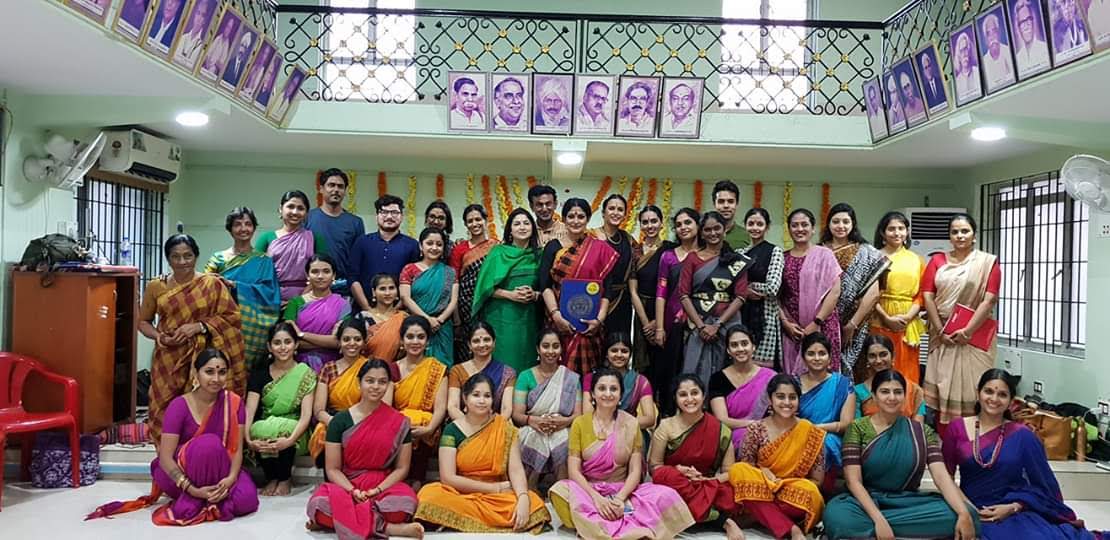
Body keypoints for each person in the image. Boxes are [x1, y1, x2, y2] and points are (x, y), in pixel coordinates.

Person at [87, 349, 258, 524]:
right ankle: (201, 498)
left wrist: (229, 480)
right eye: (209, 372)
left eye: (222, 372)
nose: (216, 379)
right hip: (184, 474)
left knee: (247, 501)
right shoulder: (179, 406)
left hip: (221, 470)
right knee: (208, 444)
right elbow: (165, 458)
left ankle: (210, 497)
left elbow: (236, 449)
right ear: (195, 373)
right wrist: (192, 489)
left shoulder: (234, 403)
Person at [822, 370, 980, 540]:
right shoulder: (857, 428)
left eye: (898, 392)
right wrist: (879, 520)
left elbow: (941, 476)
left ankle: (872, 533)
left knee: (967, 513)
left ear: (905, 397)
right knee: (837, 516)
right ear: (873, 396)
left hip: (907, 501)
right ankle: (899, 531)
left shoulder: (922, 431)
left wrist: (963, 513)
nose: (892, 397)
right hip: (863, 502)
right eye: (885, 392)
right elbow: (854, 482)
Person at [943, 369, 1099, 540]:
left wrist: (1013, 507)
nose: (994, 399)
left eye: (1002, 394)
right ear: (978, 392)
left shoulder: (1022, 435)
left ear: (1011, 401)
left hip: (1012, 511)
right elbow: (946, 478)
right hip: (969, 507)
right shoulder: (956, 428)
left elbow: (1044, 485)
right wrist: (967, 510)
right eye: (988, 391)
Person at [550, 367, 695, 539]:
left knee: (666, 494)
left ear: (620, 395)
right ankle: (627, 527)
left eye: (614, 389)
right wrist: (597, 498)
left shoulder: (631, 423)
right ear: (593, 395)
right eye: (602, 388)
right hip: (589, 490)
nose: (608, 393)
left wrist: (619, 499)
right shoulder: (580, 424)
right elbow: (574, 470)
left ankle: (596, 527)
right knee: (559, 490)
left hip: (622, 490)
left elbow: (634, 471)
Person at [140, 232, 246, 443]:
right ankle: (167, 463)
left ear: (196, 257)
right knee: (163, 406)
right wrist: (159, 337)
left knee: (204, 406)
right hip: (168, 358)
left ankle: (201, 456)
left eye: (187, 256)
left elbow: (232, 317)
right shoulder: (156, 286)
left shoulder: (211, 284)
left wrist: (199, 326)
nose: (182, 262)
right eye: (175, 257)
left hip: (203, 358)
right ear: (168, 258)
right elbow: (143, 322)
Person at [414, 374, 552, 532]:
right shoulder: (452, 430)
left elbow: (516, 469)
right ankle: (495, 520)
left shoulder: (505, 429)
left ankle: (458, 520)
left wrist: (523, 498)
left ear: (493, 400)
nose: (481, 400)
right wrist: (494, 489)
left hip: (498, 496)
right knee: (429, 495)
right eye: (476, 395)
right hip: (463, 491)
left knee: (534, 502)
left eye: (487, 396)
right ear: (465, 399)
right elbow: (448, 478)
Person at [306, 359, 424, 539]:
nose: (376, 387)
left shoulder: (399, 422)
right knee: (319, 504)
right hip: (347, 484)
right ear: (359, 382)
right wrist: (353, 491)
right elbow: (332, 469)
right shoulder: (340, 421)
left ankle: (341, 521)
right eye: (370, 381)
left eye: (382, 382)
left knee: (405, 503)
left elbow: (402, 468)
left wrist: (376, 490)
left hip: (382, 484)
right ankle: (390, 528)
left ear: (389, 385)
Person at [923, 213, 1000, 430]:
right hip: (942, 335)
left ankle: (976, 438)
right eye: (955, 231)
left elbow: (989, 299)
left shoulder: (987, 263)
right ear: (949, 236)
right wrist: (940, 330)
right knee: (942, 385)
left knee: (974, 387)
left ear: (974, 235)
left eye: (964, 231)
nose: (960, 235)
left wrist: (966, 331)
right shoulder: (937, 261)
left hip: (974, 336)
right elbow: (927, 295)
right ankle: (946, 442)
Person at [727, 374, 826, 539]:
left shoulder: (811, 432)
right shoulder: (756, 429)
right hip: (760, 488)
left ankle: (757, 515)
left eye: (792, 397)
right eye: (780, 396)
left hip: (790, 493)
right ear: (770, 399)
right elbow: (746, 473)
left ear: (798, 400)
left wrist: (782, 484)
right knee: (738, 470)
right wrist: (764, 473)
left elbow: (817, 481)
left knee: (811, 493)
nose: (786, 402)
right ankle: (791, 529)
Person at [649, 375, 743, 538]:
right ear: (675, 398)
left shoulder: (720, 429)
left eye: (694, 393)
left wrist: (707, 481)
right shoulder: (666, 426)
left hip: (706, 485)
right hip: (676, 485)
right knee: (665, 477)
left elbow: (729, 472)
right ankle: (722, 520)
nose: (690, 399)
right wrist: (678, 470)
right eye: (683, 394)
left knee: (733, 492)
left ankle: (688, 514)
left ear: (703, 396)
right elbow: (654, 467)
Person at [539, 198, 619, 374]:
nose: (576, 221)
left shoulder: (600, 249)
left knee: (587, 377)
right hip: (558, 321)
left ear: (588, 219)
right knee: (556, 371)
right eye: (571, 216)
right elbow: (544, 285)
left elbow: (607, 289)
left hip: (590, 325)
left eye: (581, 216)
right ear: (564, 219)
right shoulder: (553, 247)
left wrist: (599, 320)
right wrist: (556, 315)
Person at [244, 322, 317, 497]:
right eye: (277, 343)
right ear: (269, 346)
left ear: (296, 345)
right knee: (259, 429)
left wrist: (290, 440)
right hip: (265, 426)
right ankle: (272, 478)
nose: (283, 347)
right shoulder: (259, 374)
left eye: (287, 342)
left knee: (282, 428)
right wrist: (247, 439)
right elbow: (249, 410)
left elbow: (306, 416)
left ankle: (285, 478)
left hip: (296, 431)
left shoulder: (305, 374)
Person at [678, 211, 750, 385]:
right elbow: (684, 295)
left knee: (726, 368)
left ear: (724, 230)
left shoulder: (736, 261)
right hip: (698, 322)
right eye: (708, 230)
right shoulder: (692, 259)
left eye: (717, 228)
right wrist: (702, 326)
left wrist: (717, 325)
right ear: (701, 233)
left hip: (728, 323)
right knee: (692, 368)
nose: (713, 233)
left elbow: (741, 296)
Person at [204, 207, 281, 368]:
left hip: (252, 327)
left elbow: (270, 294)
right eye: (237, 224)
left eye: (248, 224)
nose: (243, 229)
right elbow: (205, 287)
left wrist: (236, 286)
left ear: (254, 228)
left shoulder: (263, 260)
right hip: (223, 323)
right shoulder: (218, 258)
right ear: (230, 229)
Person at [472, 207, 541, 373]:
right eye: (517, 224)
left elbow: (546, 288)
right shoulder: (498, 252)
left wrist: (534, 294)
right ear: (510, 229)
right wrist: (510, 295)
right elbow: (483, 288)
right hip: (501, 317)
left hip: (529, 319)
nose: (522, 227)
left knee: (527, 359)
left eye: (526, 223)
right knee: (503, 361)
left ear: (533, 228)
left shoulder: (540, 254)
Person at [512, 328, 582, 485]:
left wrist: (562, 422)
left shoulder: (571, 378)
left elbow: (578, 415)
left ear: (561, 349)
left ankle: (562, 492)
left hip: (563, 427)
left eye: (555, 346)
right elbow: (517, 415)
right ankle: (529, 489)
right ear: (538, 349)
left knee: (565, 438)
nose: (551, 351)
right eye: (546, 346)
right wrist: (534, 421)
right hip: (532, 426)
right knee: (532, 437)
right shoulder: (525, 376)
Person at [821, 202, 884, 373]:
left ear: (853, 224)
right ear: (828, 224)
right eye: (836, 221)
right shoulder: (819, 251)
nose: (841, 226)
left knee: (854, 370)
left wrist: (852, 324)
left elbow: (873, 293)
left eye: (845, 222)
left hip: (856, 321)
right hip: (824, 320)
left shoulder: (867, 252)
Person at [779, 208, 842, 376]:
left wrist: (816, 322)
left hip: (822, 325)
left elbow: (835, 291)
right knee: (793, 380)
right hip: (793, 331)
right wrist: (786, 324)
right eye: (795, 225)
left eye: (804, 225)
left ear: (813, 228)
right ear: (789, 229)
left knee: (824, 375)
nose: (800, 229)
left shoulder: (824, 254)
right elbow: (776, 297)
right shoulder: (781, 258)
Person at [306, 319, 375, 463]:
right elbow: (319, 410)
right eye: (346, 339)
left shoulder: (371, 367)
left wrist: (355, 423)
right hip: (333, 419)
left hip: (363, 419)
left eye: (357, 339)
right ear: (339, 342)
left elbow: (375, 404)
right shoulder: (328, 368)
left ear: (363, 342)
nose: (352, 343)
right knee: (323, 434)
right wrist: (335, 423)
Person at [391, 315, 449, 486]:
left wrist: (430, 428)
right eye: (410, 337)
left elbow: (440, 408)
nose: (415, 341)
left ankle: (417, 482)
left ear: (428, 341)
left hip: (427, 429)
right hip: (397, 427)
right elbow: (386, 407)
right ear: (402, 340)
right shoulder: (392, 369)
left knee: (422, 419)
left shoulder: (438, 369)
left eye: (421, 337)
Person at [871, 211, 926, 385]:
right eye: (891, 229)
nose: (897, 233)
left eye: (901, 228)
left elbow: (922, 294)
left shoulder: (917, 260)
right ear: (882, 233)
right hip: (878, 319)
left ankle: (909, 410)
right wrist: (886, 318)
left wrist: (908, 317)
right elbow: (866, 294)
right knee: (878, 364)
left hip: (906, 323)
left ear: (907, 232)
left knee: (907, 370)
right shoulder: (873, 257)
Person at [653, 208, 700, 414]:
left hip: (698, 323)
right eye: (679, 224)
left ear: (698, 225)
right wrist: (660, 328)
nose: (683, 228)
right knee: (669, 371)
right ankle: (668, 416)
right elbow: (661, 292)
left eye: (688, 222)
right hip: (671, 323)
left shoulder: (706, 255)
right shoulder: (668, 257)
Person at [709, 325, 776, 455]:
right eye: (734, 345)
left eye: (744, 344)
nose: (740, 349)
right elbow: (722, 419)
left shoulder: (770, 377)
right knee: (749, 437)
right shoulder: (718, 379)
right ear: (728, 350)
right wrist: (752, 424)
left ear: (753, 347)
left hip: (768, 432)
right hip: (732, 434)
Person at [256, 190, 329, 303]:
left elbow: (323, 272)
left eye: (300, 208)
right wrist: (274, 299)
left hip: (309, 297)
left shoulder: (315, 238)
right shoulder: (266, 238)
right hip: (270, 298)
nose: (295, 212)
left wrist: (301, 299)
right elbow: (256, 272)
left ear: (306, 213)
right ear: (281, 209)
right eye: (290, 206)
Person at [350, 194, 421, 311]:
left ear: (401, 216)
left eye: (394, 212)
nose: (389, 216)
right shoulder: (362, 242)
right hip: (364, 311)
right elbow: (353, 277)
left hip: (399, 312)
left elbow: (414, 282)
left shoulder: (411, 245)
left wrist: (395, 312)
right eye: (384, 212)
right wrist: (368, 309)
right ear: (377, 216)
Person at [399, 227, 458, 366]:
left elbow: (453, 300)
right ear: (421, 245)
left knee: (442, 367)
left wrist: (439, 320)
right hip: (416, 326)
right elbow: (405, 298)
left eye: (439, 244)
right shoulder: (409, 269)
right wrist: (427, 320)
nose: (434, 247)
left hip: (442, 327)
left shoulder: (450, 272)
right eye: (429, 243)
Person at [797, 332, 855, 472]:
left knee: (825, 441)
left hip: (829, 438)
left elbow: (846, 424)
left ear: (829, 358)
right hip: (798, 435)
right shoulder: (794, 384)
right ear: (803, 358)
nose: (817, 358)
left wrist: (815, 428)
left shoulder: (843, 384)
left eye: (822, 353)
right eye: (811, 354)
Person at [281, 254, 348, 373]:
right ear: (307, 275)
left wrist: (301, 335)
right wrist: (328, 342)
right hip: (298, 366)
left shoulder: (343, 305)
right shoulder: (295, 303)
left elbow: (341, 342)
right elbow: (288, 342)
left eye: (326, 271)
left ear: (334, 275)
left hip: (333, 368)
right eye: (315, 271)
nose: (320, 276)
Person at [448, 204, 497, 362]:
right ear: (465, 224)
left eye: (478, 219)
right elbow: (454, 282)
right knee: (468, 344)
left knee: (490, 340)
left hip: (491, 303)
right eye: (470, 221)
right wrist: (456, 319)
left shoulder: (497, 246)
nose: (475, 224)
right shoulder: (459, 249)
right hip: (466, 306)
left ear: (486, 221)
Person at [582, 333, 657, 434]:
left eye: (624, 351)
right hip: (597, 431)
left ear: (630, 354)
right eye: (614, 350)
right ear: (606, 354)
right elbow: (587, 414)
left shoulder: (641, 381)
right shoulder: (591, 378)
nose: (619, 355)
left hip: (628, 432)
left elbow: (649, 419)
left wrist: (618, 426)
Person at [628, 206, 673, 373]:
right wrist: (646, 323)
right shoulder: (636, 252)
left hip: (666, 309)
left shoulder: (670, 249)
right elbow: (633, 291)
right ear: (640, 225)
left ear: (662, 223)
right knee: (643, 362)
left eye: (654, 221)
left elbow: (674, 288)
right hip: (642, 310)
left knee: (664, 361)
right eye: (645, 222)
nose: (650, 225)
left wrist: (657, 322)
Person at [738, 208, 784, 368]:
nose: (755, 228)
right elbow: (732, 286)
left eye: (759, 224)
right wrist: (745, 291)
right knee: (741, 363)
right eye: (751, 224)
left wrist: (747, 288)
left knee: (762, 369)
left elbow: (772, 288)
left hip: (765, 317)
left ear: (767, 227)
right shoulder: (740, 253)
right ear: (745, 226)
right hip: (741, 314)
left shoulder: (774, 251)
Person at [307, 168, 365, 294]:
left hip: (344, 289)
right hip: (312, 288)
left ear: (345, 191)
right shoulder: (307, 218)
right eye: (331, 185)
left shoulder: (355, 222)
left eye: (340, 186)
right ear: (321, 188)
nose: (336, 190)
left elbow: (358, 260)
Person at [447, 322, 517, 421]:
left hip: (494, 426)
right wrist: (470, 427)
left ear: (494, 342)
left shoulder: (508, 373)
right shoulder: (457, 371)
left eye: (486, 339)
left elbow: (506, 408)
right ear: (469, 345)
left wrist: (490, 428)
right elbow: (453, 407)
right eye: (476, 341)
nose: (482, 344)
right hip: (464, 425)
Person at [593, 194, 638, 337]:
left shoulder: (629, 239)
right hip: (597, 297)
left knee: (620, 342)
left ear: (625, 215)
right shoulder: (591, 237)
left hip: (622, 300)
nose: (615, 212)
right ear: (603, 213)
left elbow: (635, 269)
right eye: (611, 208)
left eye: (620, 209)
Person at [854, 335, 925, 422]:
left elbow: (917, 430)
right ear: (867, 359)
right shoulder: (858, 392)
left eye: (883, 354)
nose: (878, 361)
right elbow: (856, 429)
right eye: (872, 356)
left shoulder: (914, 390)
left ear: (893, 355)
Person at [360, 273, 406, 361]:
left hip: (396, 369)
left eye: (391, 288)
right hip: (367, 369)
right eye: (382, 289)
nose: (387, 293)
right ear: (374, 292)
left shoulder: (404, 318)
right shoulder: (363, 317)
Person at [172, 0, 215, 68]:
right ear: (194, 14)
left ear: (205, 20)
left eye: (203, 15)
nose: (199, 18)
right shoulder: (183, 37)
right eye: (198, 13)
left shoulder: (202, 46)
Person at [1012, 0, 1051, 75]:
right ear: (1018, 28)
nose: (1026, 25)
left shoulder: (1046, 49)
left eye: (1028, 19)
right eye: (1022, 22)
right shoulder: (1017, 59)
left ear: (1033, 21)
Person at [981, 13, 1016, 88]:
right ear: (985, 40)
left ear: (998, 33)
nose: (992, 37)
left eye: (994, 31)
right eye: (988, 33)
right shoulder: (983, 62)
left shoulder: (1009, 51)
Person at [713, 180, 747, 250]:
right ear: (714, 204)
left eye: (730, 201)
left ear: (736, 204)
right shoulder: (704, 234)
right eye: (721, 201)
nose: (726, 205)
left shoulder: (746, 235)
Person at [953, 30, 983, 100]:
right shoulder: (957, 82)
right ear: (958, 55)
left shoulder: (977, 72)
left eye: (966, 49)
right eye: (961, 50)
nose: (964, 54)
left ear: (969, 50)